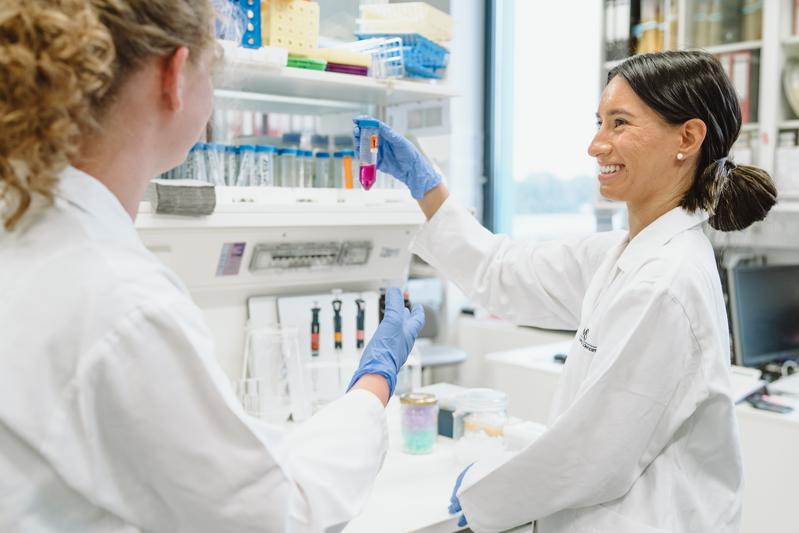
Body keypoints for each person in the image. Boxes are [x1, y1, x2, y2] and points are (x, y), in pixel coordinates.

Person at [0, 1, 424, 532]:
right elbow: (275, 516)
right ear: (175, 76)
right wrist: (374, 383)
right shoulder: (120, 300)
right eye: (213, 68)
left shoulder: (26, 226)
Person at [354, 50, 777, 533]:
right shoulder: (626, 254)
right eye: (599, 122)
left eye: (620, 123)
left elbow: (592, 454)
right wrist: (428, 189)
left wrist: (486, 493)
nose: (596, 145)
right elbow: (505, 271)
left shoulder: (667, 281)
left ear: (688, 136)